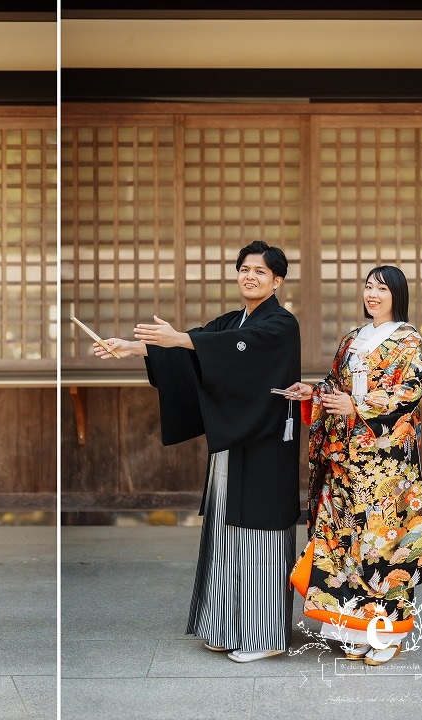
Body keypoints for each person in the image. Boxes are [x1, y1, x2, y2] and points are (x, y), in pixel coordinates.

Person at [94, 240, 301, 663]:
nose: (250, 276)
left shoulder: (280, 324)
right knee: (225, 532)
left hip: (263, 446)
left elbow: (225, 349)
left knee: (257, 536)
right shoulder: (232, 321)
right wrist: (136, 347)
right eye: (245, 268)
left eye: (261, 272)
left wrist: (181, 339)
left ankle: (265, 636)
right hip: (230, 442)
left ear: (277, 281)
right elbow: (195, 349)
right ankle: (226, 625)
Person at [284, 265, 422, 666]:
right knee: (348, 543)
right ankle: (356, 628)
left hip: (385, 464)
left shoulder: (409, 339)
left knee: (384, 545)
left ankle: (388, 635)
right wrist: (312, 392)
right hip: (345, 457)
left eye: (381, 288)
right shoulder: (353, 338)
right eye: (369, 286)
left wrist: (359, 405)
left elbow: (410, 391)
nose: (373, 294)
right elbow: (336, 384)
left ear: (396, 294)